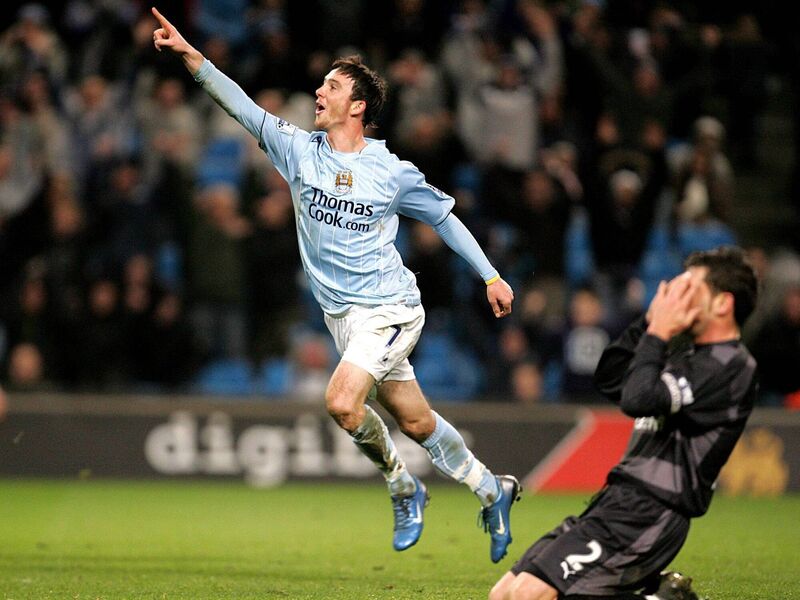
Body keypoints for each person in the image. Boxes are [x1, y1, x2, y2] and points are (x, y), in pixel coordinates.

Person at [151, 7, 520, 562]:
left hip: (390, 306)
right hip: (343, 318)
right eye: (322, 83)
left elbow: (444, 217)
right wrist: (190, 57)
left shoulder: (391, 171)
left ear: (359, 106)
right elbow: (243, 107)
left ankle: (402, 486)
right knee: (416, 420)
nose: (318, 92)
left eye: (332, 86)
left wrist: (490, 273)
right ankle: (494, 489)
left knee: (342, 402)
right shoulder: (298, 151)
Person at [490, 246, 759, 600]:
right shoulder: (684, 352)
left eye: (690, 288)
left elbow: (638, 400)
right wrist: (651, 323)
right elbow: (612, 378)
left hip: (653, 510)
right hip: (617, 500)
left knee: (529, 595)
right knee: (504, 593)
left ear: (723, 304)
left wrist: (659, 334)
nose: (676, 295)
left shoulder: (730, 365)